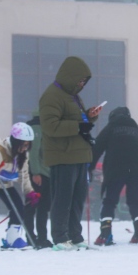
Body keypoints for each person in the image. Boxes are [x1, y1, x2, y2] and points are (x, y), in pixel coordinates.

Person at [39, 56, 103, 251]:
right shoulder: (51, 96)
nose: (82, 84)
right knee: (63, 198)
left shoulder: (73, 96)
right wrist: (79, 126)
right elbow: (50, 126)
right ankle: (60, 237)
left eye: (84, 81)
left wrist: (90, 117)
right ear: (70, 76)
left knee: (77, 199)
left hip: (79, 155)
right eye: (80, 80)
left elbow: (80, 124)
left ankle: (75, 236)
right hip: (63, 156)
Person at [91, 106, 138, 245]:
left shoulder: (110, 129)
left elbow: (97, 148)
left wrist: (89, 167)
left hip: (116, 169)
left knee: (110, 200)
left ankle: (105, 234)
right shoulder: (137, 131)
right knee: (135, 200)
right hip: (137, 169)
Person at [0, 122, 39, 249]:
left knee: (18, 207)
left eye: (28, 145)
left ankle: (12, 238)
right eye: (23, 144)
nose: (25, 148)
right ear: (15, 141)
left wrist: (30, 192)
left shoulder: (23, 155)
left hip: (6, 184)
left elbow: (24, 174)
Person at [23, 109, 53, 248]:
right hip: (38, 175)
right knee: (35, 207)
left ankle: (41, 237)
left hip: (45, 174)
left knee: (42, 208)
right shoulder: (36, 128)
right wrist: (35, 173)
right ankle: (32, 237)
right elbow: (34, 152)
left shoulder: (42, 128)